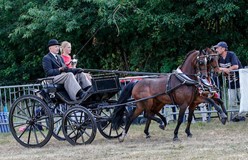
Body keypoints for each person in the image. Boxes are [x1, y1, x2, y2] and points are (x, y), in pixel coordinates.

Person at [214, 41, 244, 121]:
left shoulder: (231, 54)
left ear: (223, 49)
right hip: (230, 82)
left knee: (243, 99)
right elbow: (218, 70)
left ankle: (242, 116)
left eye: (217, 48)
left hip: (241, 81)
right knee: (231, 100)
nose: (216, 49)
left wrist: (228, 69)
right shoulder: (218, 58)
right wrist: (225, 70)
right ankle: (234, 117)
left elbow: (236, 66)